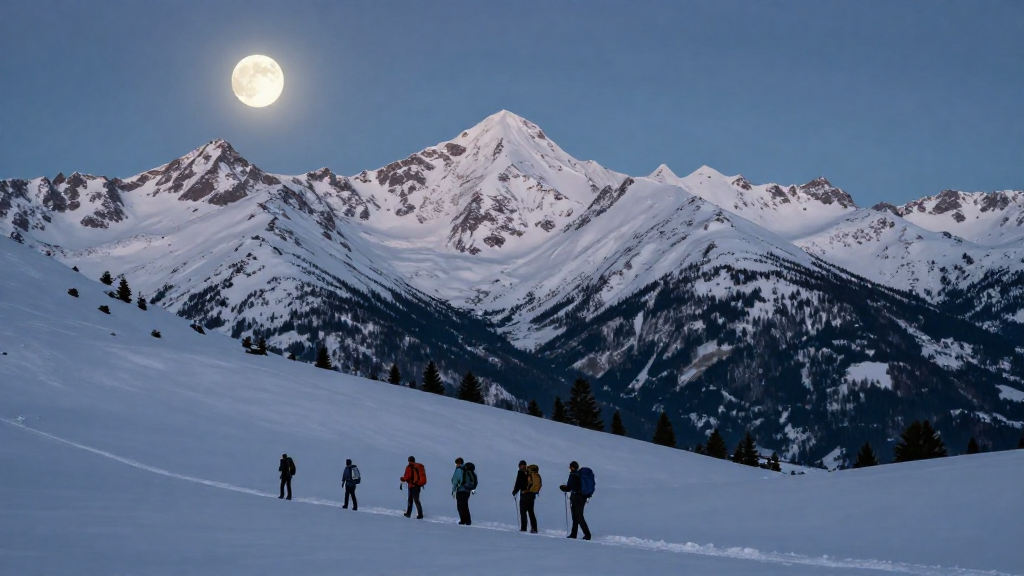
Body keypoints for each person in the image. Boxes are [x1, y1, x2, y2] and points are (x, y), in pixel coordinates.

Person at [559, 461, 591, 540]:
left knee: (578, 516)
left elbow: (570, 487)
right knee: (576, 516)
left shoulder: (573, 475)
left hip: (576, 497)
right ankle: (574, 534)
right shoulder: (579, 475)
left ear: (572, 467)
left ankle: (586, 534)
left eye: (570, 467)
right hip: (582, 497)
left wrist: (564, 488)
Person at [512, 460, 538, 533]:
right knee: (531, 511)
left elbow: (518, 483)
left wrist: (515, 491)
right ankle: (534, 528)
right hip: (532, 495)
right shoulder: (531, 472)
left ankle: (524, 528)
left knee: (523, 511)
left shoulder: (521, 472)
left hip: (524, 494)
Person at [452, 457, 472, 525]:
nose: (456, 465)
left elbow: (455, 481)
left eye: (456, 464)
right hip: (467, 490)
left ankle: (463, 520)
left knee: (460, 506)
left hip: (461, 490)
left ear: (458, 463)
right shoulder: (466, 469)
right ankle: (468, 520)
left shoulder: (459, 470)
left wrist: (453, 490)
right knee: (465, 505)